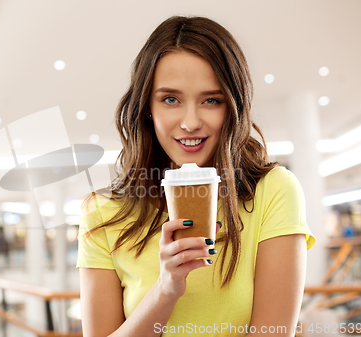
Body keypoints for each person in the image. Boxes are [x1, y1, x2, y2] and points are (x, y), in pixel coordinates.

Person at [76, 16, 316, 337]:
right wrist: (166, 290)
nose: (190, 122)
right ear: (147, 107)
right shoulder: (102, 211)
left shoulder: (274, 190)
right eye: (170, 99)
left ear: (233, 107)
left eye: (211, 100)